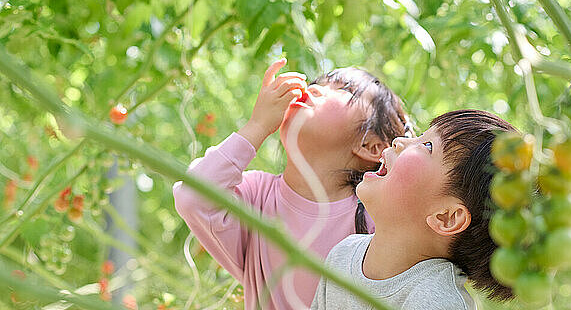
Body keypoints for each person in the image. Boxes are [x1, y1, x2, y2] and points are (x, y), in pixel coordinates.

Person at [173, 58, 412, 309]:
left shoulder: (377, 220)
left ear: (370, 146)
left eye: (344, 90)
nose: (314, 88)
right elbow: (192, 196)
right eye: (316, 83)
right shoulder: (256, 197)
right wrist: (257, 126)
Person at [311, 109, 518, 310]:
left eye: (427, 146)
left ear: (446, 217)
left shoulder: (439, 302)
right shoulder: (343, 253)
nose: (398, 141)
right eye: (420, 136)